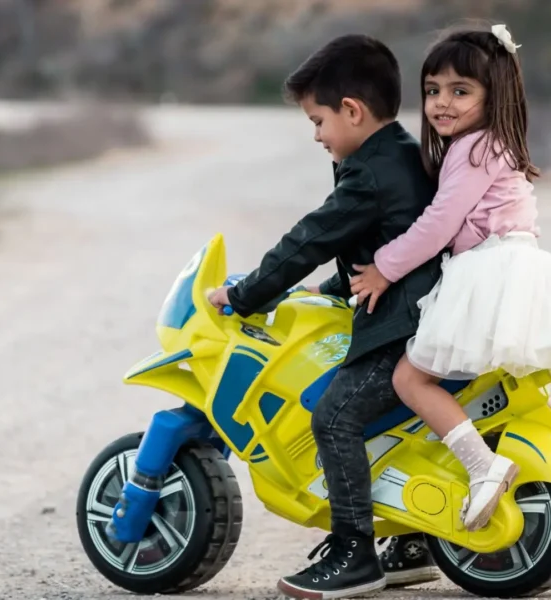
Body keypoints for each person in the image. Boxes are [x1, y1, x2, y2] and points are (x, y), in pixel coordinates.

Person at [208, 34, 441, 599]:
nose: (316, 134)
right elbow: (391, 238)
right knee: (391, 424)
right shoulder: (400, 154)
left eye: (317, 121)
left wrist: (245, 295)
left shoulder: (368, 174)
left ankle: (353, 552)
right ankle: (413, 541)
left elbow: (310, 236)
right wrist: (332, 287)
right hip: (423, 311)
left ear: (352, 111)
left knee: (335, 416)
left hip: (402, 329)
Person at [350, 24, 550, 532]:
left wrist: (382, 268)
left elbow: (439, 223)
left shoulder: (474, 149)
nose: (442, 103)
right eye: (433, 90)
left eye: (461, 91)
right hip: (512, 264)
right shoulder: (492, 144)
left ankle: (484, 467)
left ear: (494, 94)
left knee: (410, 378)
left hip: (488, 271)